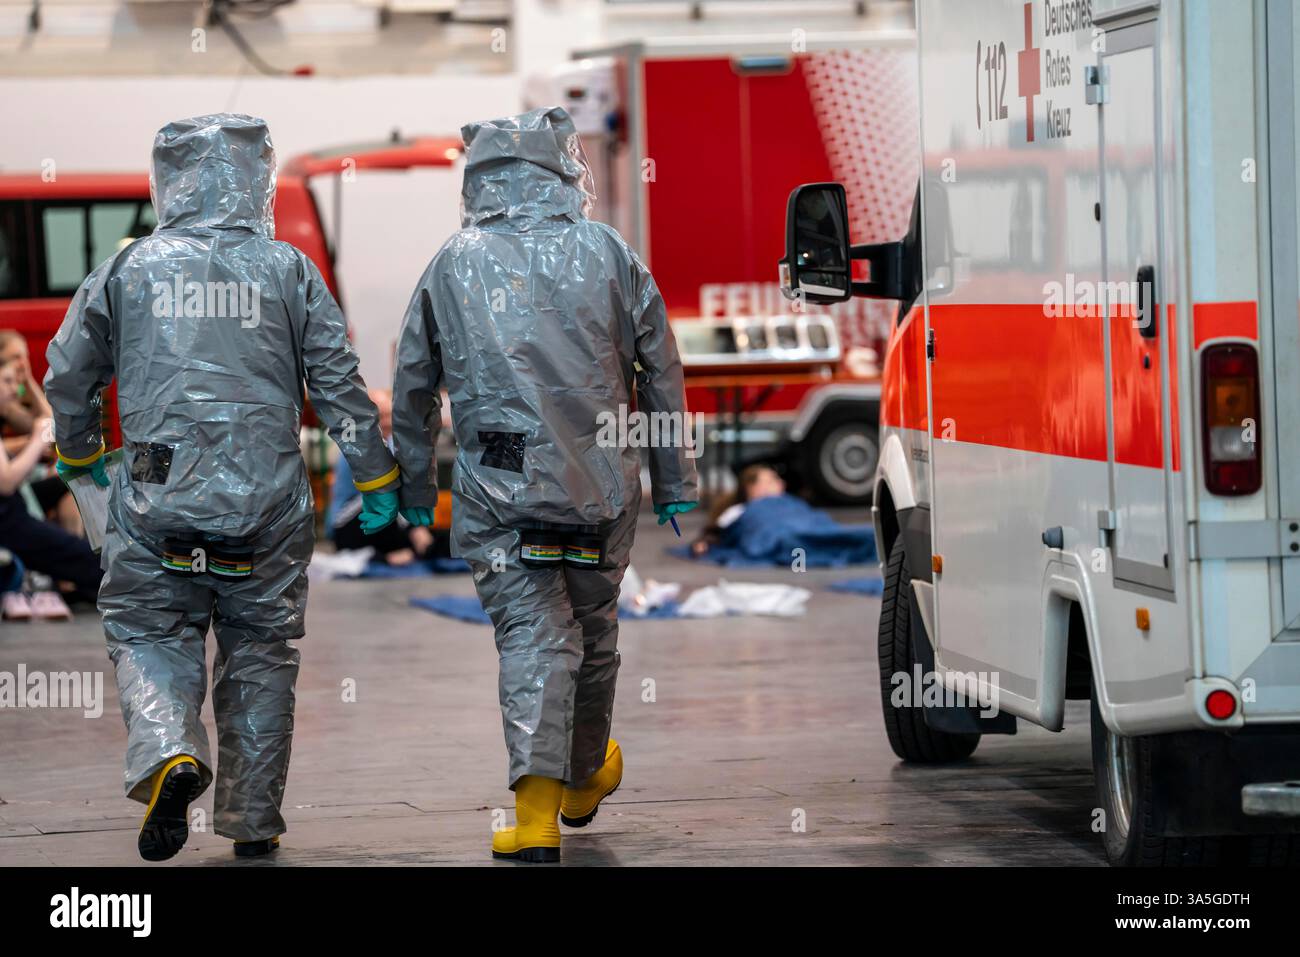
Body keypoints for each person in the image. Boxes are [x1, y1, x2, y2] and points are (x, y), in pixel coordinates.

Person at [44, 113, 401, 862]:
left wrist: (82, 459)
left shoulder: (127, 269)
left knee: (148, 630)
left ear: (166, 180)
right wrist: (376, 473)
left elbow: (69, 374)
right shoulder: (289, 270)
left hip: (154, 495)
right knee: (262, 653)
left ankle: (171, 748)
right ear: (257, 180)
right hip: (266, 504)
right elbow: (339, 383)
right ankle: (254, 818)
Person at [391, 107, 699, 862]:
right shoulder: (611, 252)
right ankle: (585, 773)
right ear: (567, 170)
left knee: (533, 637)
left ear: (480, 175)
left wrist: (407, 485)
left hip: (501, 489)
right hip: (600, 487)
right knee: (593, 638)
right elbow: (658, 367)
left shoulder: (454, 261)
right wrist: (674, 478)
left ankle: (534, 818)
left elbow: (412, 382)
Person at [0, 359, 102, 618]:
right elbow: (6, 483)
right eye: (8, 381)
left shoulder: (6, 410)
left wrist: (29, 384)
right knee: (88, 561)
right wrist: (35, 440)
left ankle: (79, 574)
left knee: (68, 482)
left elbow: (49, 426)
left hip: (14, 507)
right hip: (7, 516)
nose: (16, 389)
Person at [327, 388, 445, 564]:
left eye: (389, 414)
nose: (387, 421)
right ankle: (387, 554)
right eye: (380, 416)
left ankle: (414, 546)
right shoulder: (361, 444)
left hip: (383, 517)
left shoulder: (393, 442)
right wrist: (415, 529)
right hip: (348, 522)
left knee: (433, 535)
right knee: (389, 496)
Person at [690, 463, 786, 557]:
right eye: (771, 481)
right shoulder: (738, 512)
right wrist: (704, 543)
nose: (781, 483)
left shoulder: (790, 507)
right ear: (751, 487)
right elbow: (715, 533)